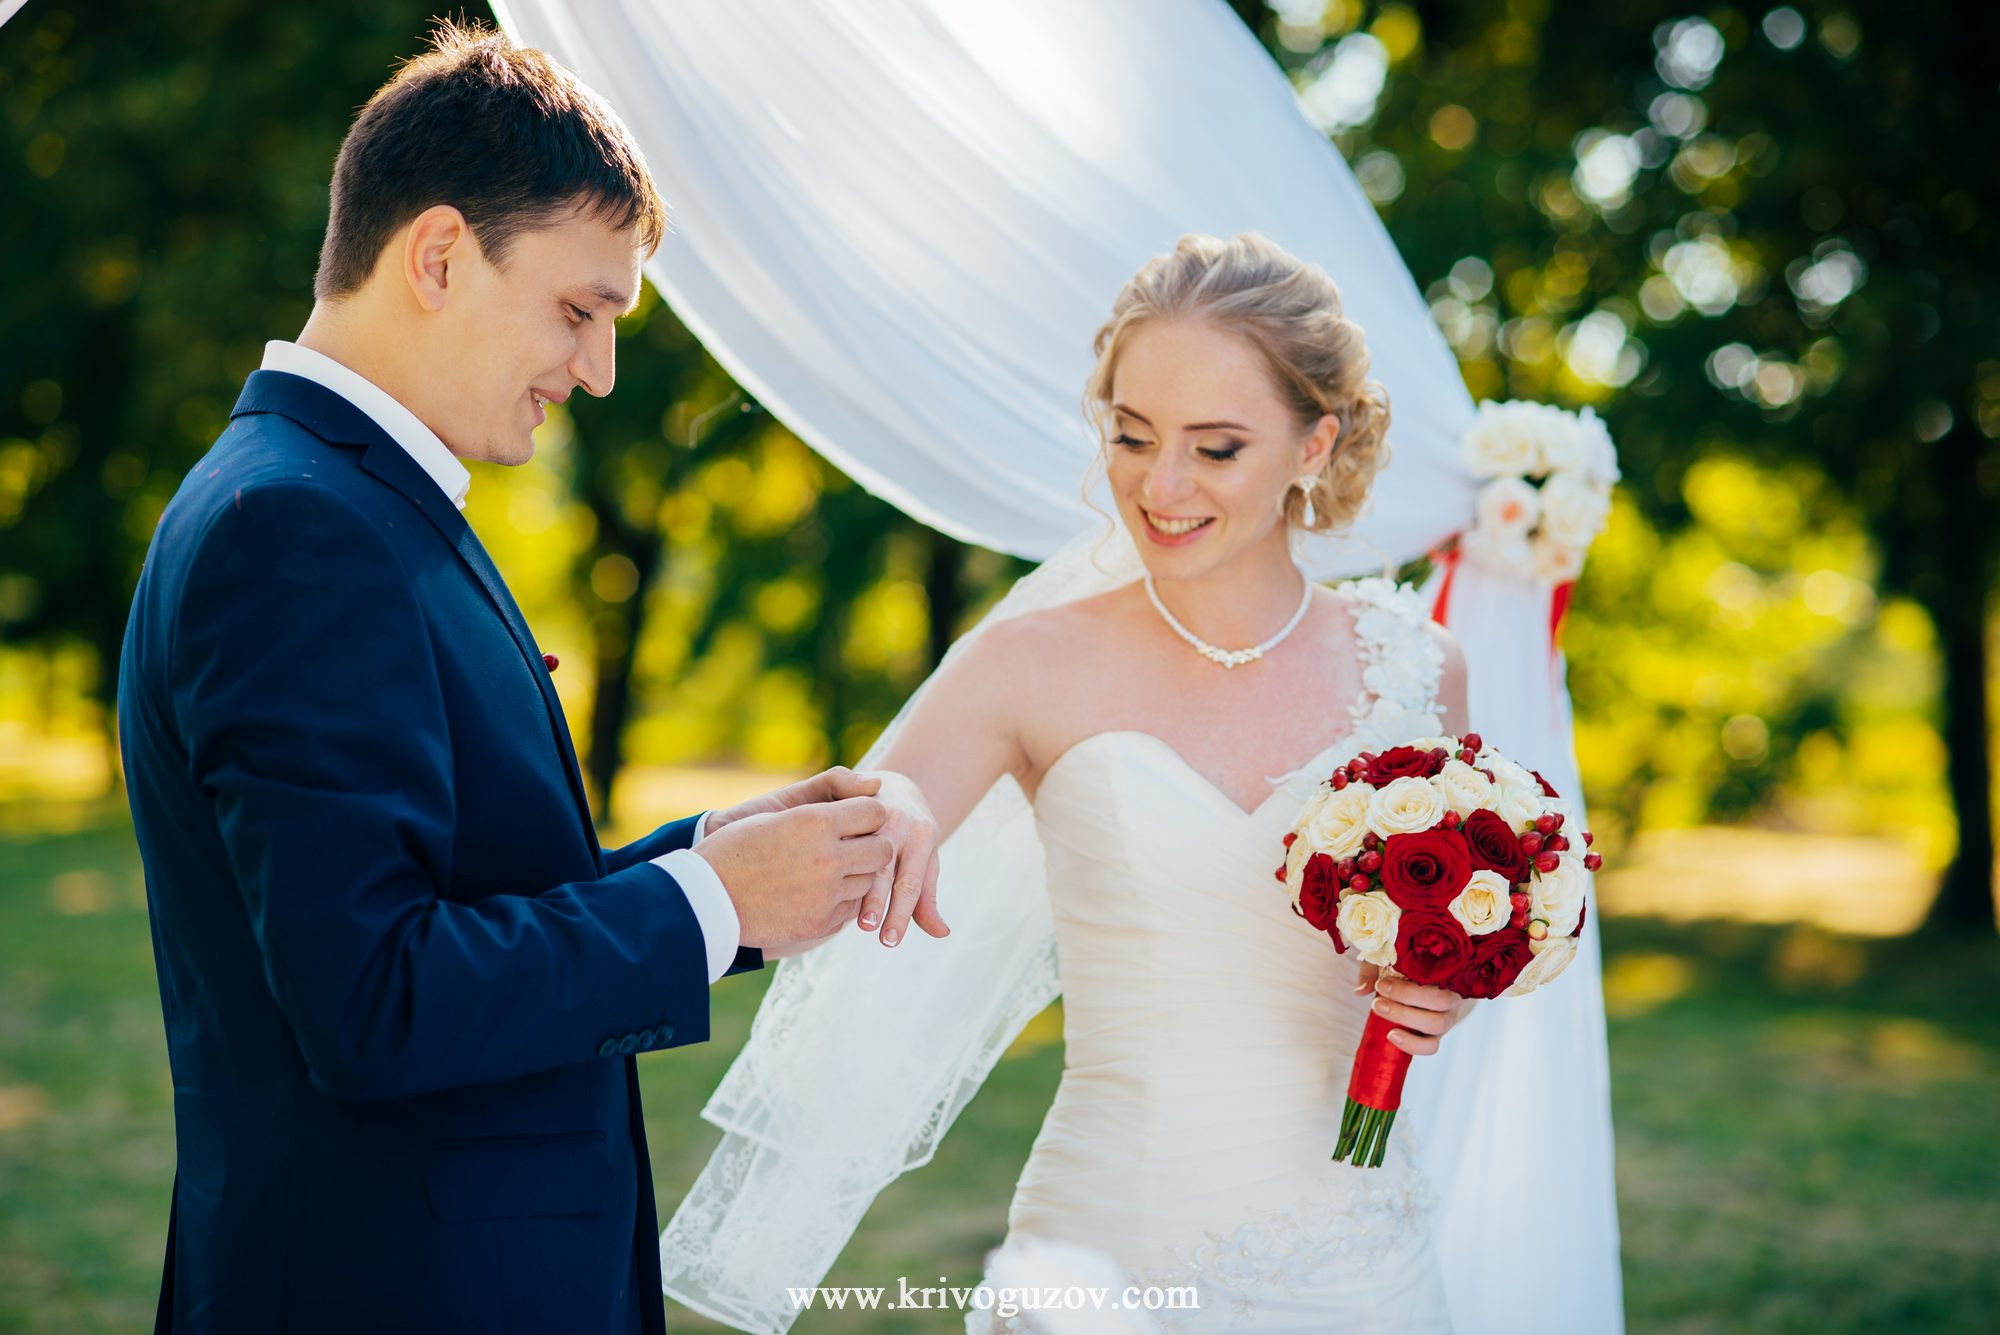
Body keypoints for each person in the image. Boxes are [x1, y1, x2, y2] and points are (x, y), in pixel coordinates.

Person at [115, 21, 936, 1334]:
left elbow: (460, 894)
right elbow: (373, 999)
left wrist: (721, 853)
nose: (597, 372)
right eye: (579, 311)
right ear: (439, 255)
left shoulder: (356, 502)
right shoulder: (297, 529)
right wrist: (711, 903)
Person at [668, 232, 1475, 1334]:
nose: (1161, 485)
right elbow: (865, 824)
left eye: (1216, 447)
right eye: (1132, 436)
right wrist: (889, 812)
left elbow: (1455, 924)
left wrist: (1445, 988)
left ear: (1313, 443)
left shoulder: (1419, 668)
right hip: (1106, 1246)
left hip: (1361, 1266)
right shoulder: (1027, 662)